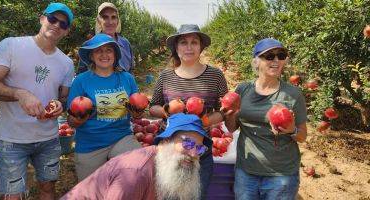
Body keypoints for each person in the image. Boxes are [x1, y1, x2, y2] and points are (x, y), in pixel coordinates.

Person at [0, 2, 74, 199]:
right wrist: (19, 93)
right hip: (13, 139)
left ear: (67, 32)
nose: (56, 25)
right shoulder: (12, 46)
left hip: (48, 138)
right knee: (13, 196)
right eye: (52, 19)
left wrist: (59, 105)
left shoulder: (66, 63)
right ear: (42, 18)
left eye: (63, 24)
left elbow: (64, 97)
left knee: (48, 188)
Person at [149, 24, 229, 199]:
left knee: (196, 195)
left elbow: (225, 110)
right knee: (167, 195)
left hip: (199, 152)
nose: (189, 47)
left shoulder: (215, 76)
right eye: (184, 42)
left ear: (201, 47)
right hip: (169, 150)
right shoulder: (166, 76)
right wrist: (167, 110)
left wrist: (206, 121)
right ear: (176, 48)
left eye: (194, 42)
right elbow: (153, 107)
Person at [224, 38, 308, 200]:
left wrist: (291, 130)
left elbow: (302, 136)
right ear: (256, 62)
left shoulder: (292, 94)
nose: (276, 60)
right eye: (269, 56)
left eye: (281, 55)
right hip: (246, 171)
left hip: (281, 174)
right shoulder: (243, 89)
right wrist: (230, 115)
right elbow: (232, 128)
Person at [60, 113, 211, 200]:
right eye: (188, 144)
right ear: (166, 141)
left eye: (199, 148)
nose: (193, 153)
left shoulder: (162, 165)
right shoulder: (134, 173)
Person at [67, 33, 142, 181]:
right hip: (90, 143)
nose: (104, 54)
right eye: (98, 51)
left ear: (115, 54)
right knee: (90, 191)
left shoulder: (127, 78)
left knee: (138, 173)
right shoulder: (81, 81)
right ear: (91, 56)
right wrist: (79, 119)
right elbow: (71, 121)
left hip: (121, 138)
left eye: (109, 50)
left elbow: (136, 109)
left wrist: (137, 113)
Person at [77, 2, 133, 74]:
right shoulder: (89, 45)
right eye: (105, 17)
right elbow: (81, 74)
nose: (110, 22)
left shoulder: (126, 44)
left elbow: (130, 71)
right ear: (99, 20)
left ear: (118, 21)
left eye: (113, 17)